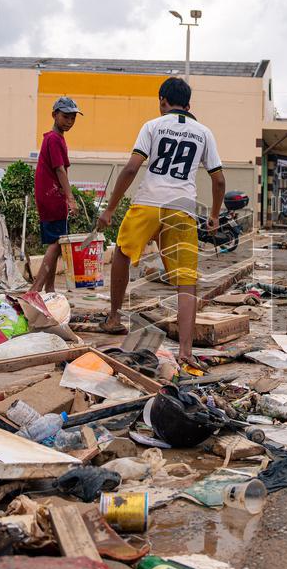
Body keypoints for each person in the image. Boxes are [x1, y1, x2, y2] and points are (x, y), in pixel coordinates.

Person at [96, 77, 225, 370]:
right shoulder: (204, 133)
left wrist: (110, 209)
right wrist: (215, 215)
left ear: (162, 101)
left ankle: (115, 317)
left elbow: (131, 168)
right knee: (186, 280)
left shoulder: (152, 126)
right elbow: (218, 180)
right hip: (182, 208)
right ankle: (185, 351)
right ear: (189, 105)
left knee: (122, 254)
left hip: (148, 202)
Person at [31, 97, 82, 293]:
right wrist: (70, 198)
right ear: (54, 115)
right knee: (57, 242)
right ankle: (35, 289)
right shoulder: (53, 139)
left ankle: (49, 289)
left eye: (72, 118)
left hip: (49, 195)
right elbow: (60, 170)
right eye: (65, 117)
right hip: (52, 197)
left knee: (56, 242)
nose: (69, 121)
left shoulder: (57, 138)